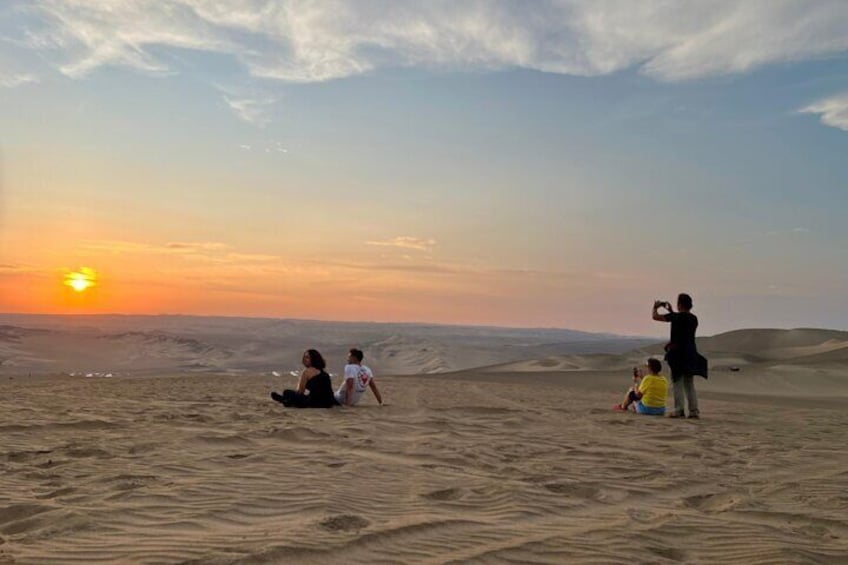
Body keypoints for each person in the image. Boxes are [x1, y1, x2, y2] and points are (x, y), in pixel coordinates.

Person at [653, 293, 708, 418]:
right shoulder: (694, 319)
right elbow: (681, 324)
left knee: (677, 381)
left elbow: (655, 317)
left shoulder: (676, 317)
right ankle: (694, 411)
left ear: (679, 304)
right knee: (689, 383)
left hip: (677, 354)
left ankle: (679, 410)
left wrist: (655, 307)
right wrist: (671, 311)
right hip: (690, 353)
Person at [270, 349, 336, 408]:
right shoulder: (324, 373)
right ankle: (286, 400)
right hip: (328, 403)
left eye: (307, 357)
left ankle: (284, 400)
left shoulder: (307, 372)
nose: (304, 359)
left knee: (287, 392)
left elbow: (300, 391)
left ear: (313, 359)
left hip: (315, 403)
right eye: (304, 357)